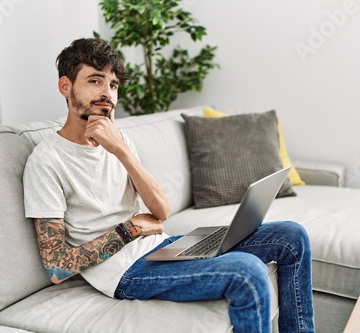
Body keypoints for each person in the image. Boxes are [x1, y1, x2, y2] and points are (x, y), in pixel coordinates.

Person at [23, 38, 315, 333]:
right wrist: (131, 229)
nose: (106, 94)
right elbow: (57, 267)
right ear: (65, 86)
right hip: (125, 271)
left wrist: (120, 150)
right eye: (95, 81)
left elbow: (161, 211)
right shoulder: (47, 161)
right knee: (248, 271)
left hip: (162, 246)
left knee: (292, 236)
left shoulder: (119, 142)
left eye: (112, 85)